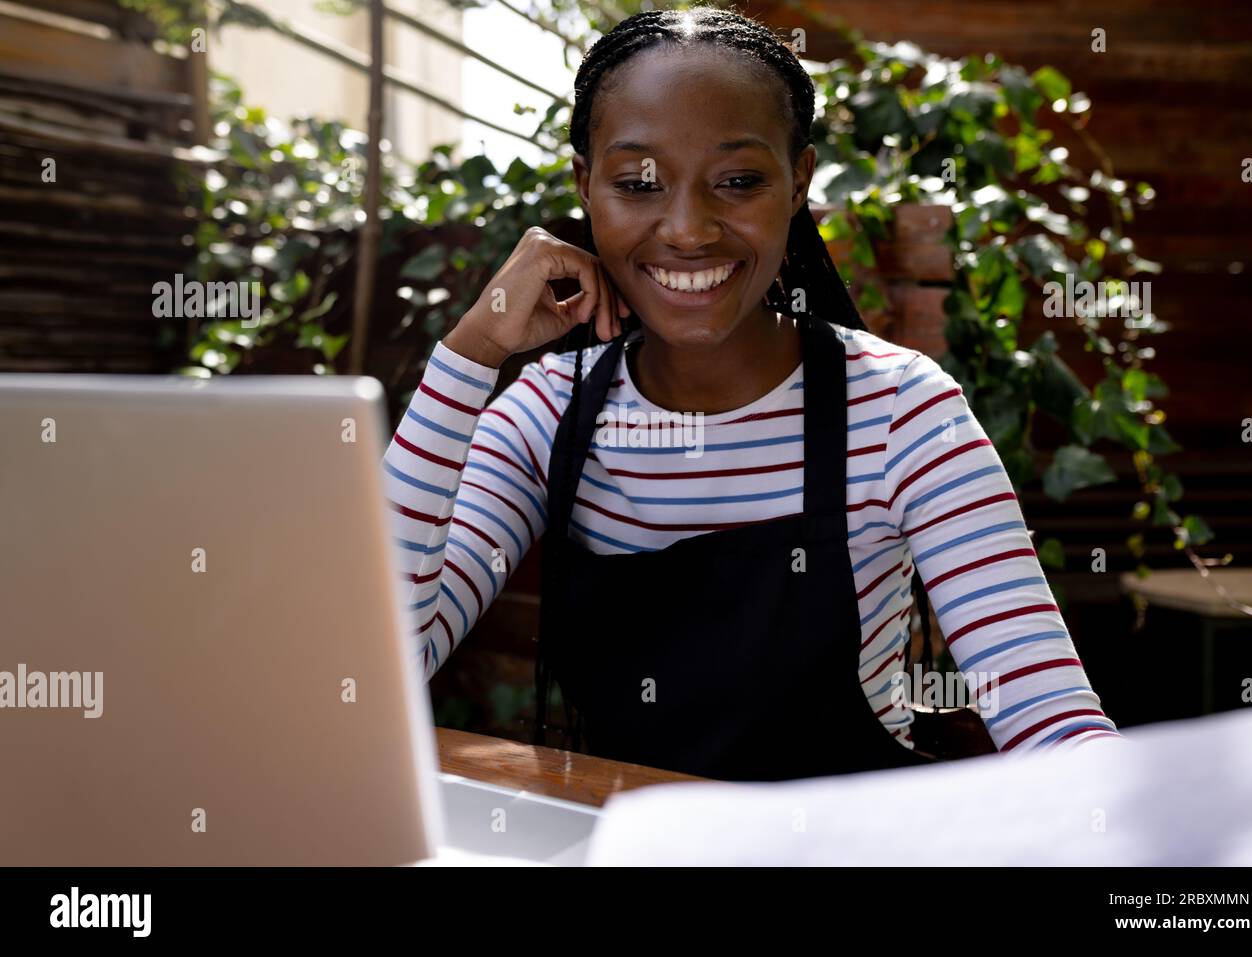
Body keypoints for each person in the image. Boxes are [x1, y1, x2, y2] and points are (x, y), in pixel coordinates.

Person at [382, 6, 1119, 781]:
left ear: (798, 182)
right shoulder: (546, 415)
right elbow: (380, 668)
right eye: (637, 182)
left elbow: (1053, 724)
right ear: (584, 186)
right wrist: (471, 352)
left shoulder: (903, 413)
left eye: (738, 181)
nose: (689, 229)